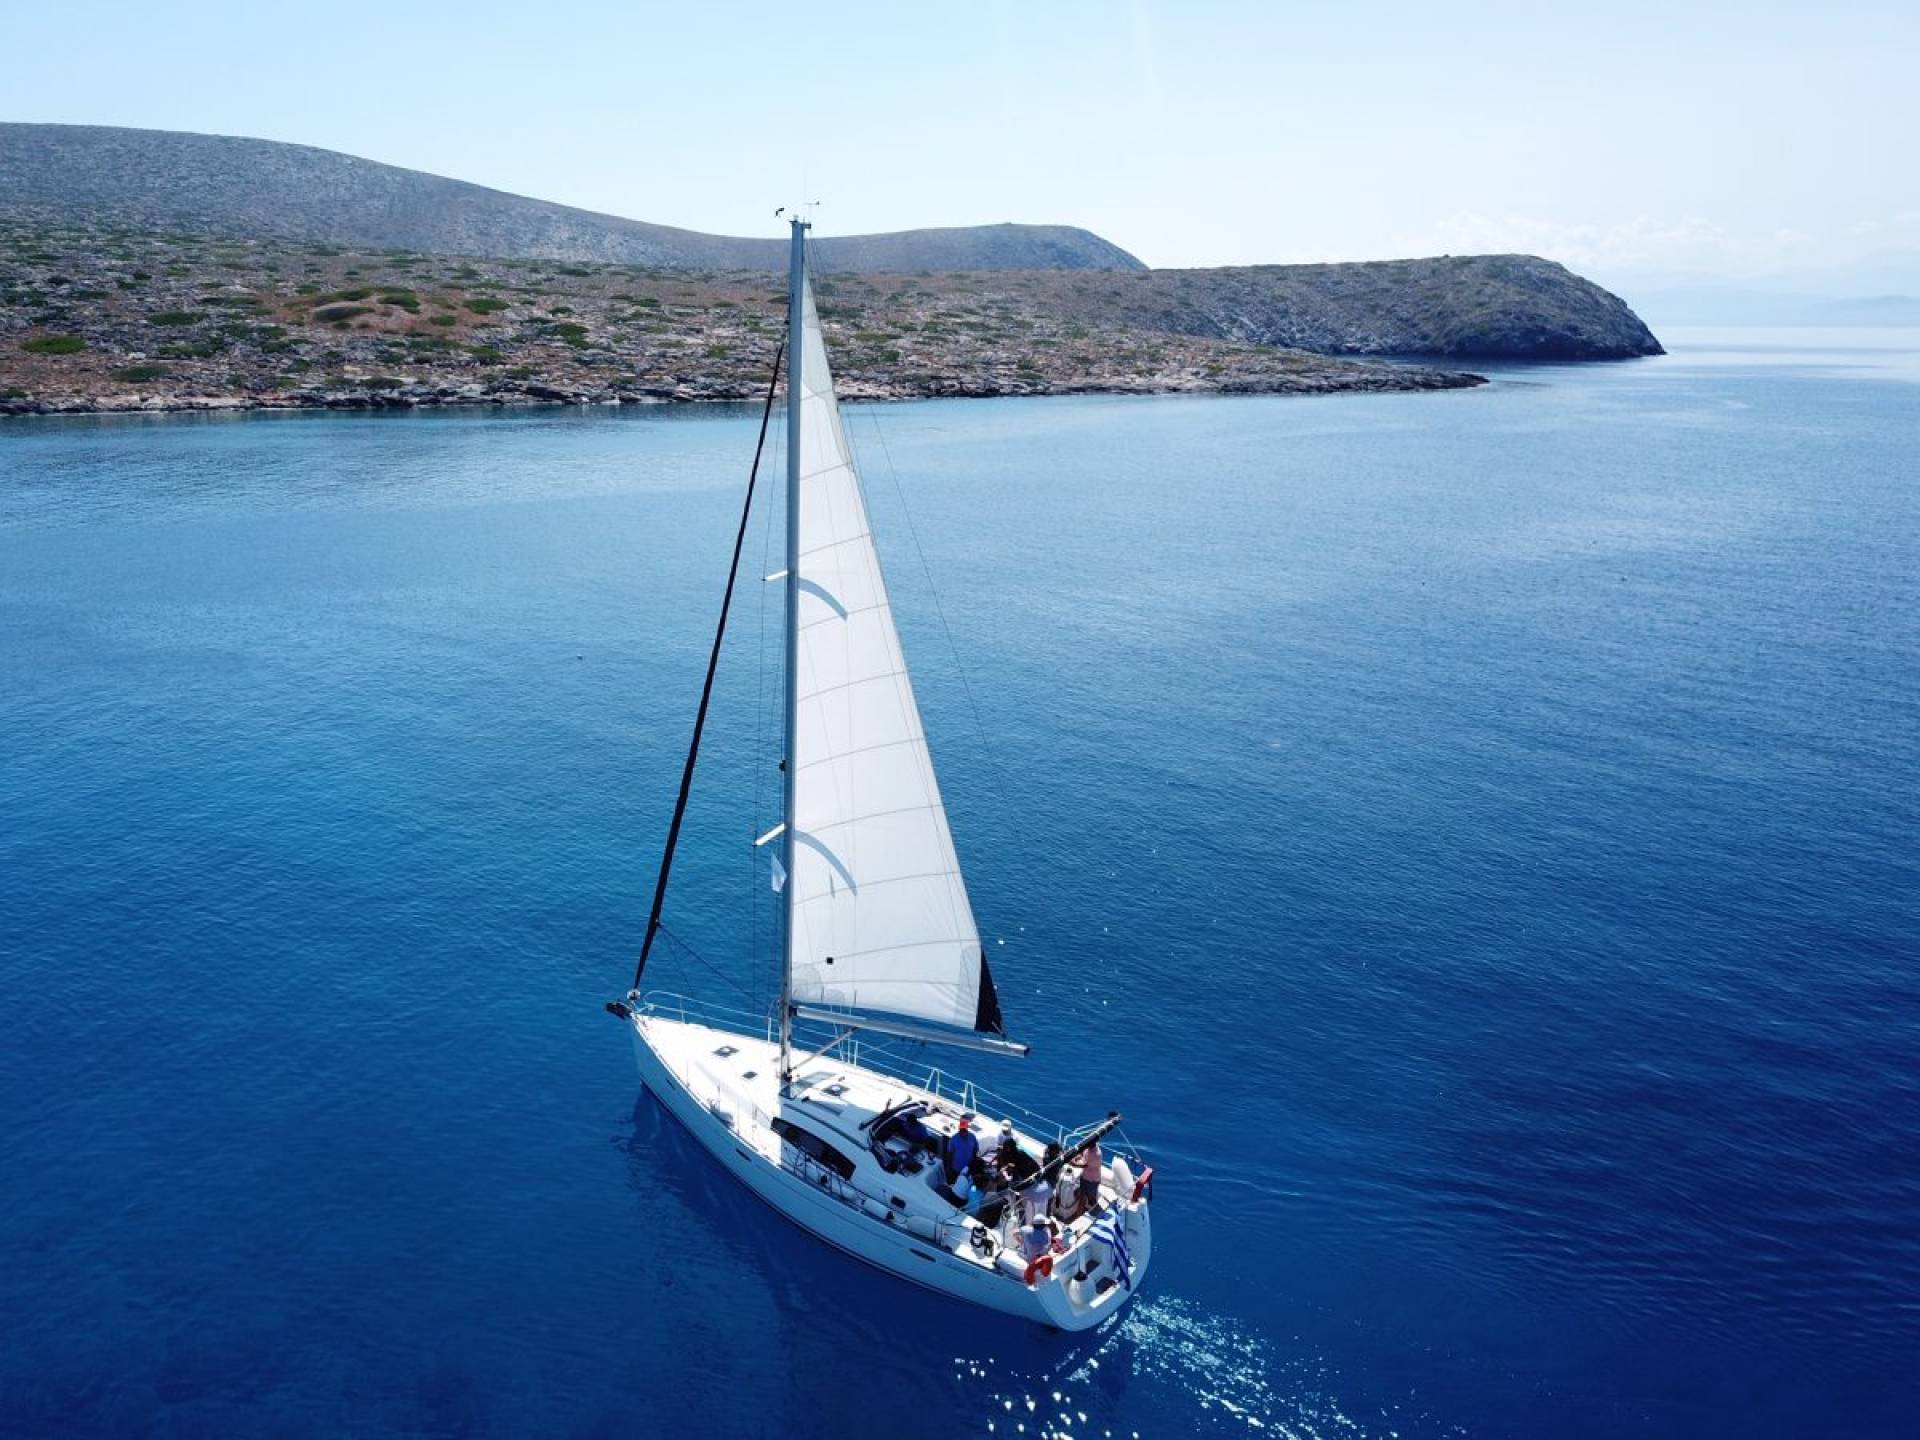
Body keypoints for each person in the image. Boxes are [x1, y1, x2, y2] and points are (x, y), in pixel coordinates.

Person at [944, 1113, 979, 1186]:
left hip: (967, 1169)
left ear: (967, 1129)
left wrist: (973, 1164)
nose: (963, 1131)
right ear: (959, 1129)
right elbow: (949, 1155)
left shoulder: (972, 1137)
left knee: (964, 1185)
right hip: (955, 1169)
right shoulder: (953, 1139)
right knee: (953, 1184)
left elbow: (975, 1150)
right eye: (961, 1129)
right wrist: (948, 1169)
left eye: (964, 1129)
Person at [1076, 1139, 1103, 1215]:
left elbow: (1083, 1165)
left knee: (1092, 1200)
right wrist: (1078, 1156)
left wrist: (1072, 1162)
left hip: (1092, 1180)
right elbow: (1082, 1153)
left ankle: (1096, 1214)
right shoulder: (1088, 1147)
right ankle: (1080, 1212)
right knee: (1082, 1196)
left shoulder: (1097, 1155)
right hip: (1084, 1176)